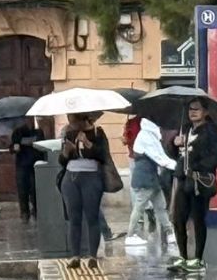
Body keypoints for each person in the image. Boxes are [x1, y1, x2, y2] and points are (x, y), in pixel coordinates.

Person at [168, 98, 217, 274]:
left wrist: (197, 165)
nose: (192, 112)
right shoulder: (185, 128)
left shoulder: (210, 130)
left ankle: (198, 259)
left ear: (205, 112)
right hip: (183, 179)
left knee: (198, 218)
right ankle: (183, 256)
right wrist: (174, 144)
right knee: (178, 219)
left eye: (197, 109)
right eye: (190, 109)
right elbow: (174, 154)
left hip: (198, 180)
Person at [59, 112, 113, 268]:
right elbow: (62, 161)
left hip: (91, 176)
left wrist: (87, 143)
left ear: (82, 119)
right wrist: (66, 152)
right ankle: (74, 256)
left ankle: (92, 256)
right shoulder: (68, 133)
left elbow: (104, 155)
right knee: (74, 218)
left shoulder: (97, 133)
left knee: (92, 217)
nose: (71, 124)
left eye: (73, 121)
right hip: (71, 177)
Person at [125, 117, 176, 247]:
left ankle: (169, 232)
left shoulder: (150, 135)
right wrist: (176, 166)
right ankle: (130, 235)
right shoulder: (146, 136)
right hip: (145, 179)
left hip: (151, 179)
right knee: (139, 207)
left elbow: (160, 155)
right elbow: (158, 156)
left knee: (161, 206)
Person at [9, 117, 43, 221]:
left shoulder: (38, 132)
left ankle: (36, 211)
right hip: (22, 165)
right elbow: (12, 147)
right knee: (22, 189)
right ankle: (24, 213)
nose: (30, 121)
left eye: (32, 119)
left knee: (35, 189)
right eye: (28, 119)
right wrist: (14, 148)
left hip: (35, 164)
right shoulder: (18, 132)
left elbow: (42, 146)